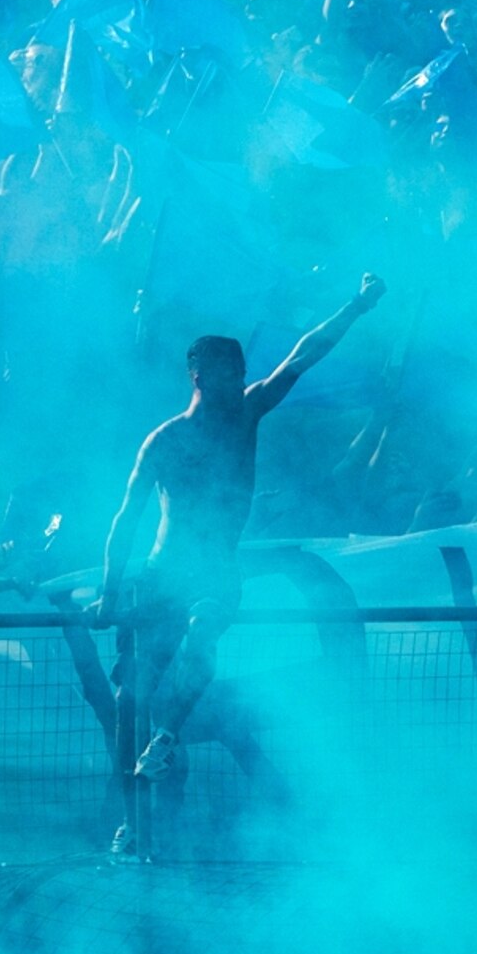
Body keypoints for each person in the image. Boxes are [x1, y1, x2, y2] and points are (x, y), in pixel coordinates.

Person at [95, 273, 386, 837]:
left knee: (205, 632)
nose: (242, 384)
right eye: (230, 377)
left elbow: (303, 357)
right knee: (134, 694)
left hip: (215, 571)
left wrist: (357, 305)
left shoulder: (248, 414)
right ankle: (133, 816)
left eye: (244, 375)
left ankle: (165, 744)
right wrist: (109, 592)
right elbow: (124, 521)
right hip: (159, 578)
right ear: (199, 377)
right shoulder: (165, 440)